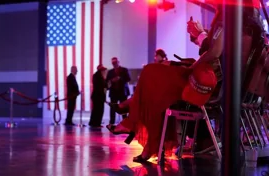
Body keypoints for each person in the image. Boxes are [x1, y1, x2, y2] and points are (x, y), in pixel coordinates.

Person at [107, 1, 263, 162]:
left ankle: (136, 124)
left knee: (150, 74)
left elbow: (215, 52)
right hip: (223, 85)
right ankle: (139, 129)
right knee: (156, 82)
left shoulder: (229, 21)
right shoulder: (251, 29)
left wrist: (196, 56)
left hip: (209, 86)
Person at [106, 57, 131, 125]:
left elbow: (128, 79)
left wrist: (120, 78)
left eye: (115, 62)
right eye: (113, 63)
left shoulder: (124, 70)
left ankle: (125, 122)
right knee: (113, 108)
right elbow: (107, 81)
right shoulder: (110, 72)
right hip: (114, 92)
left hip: (122, 92)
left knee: (123, 107)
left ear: (118, 62)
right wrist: (112, 80)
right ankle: (112, 122)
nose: (114, 64)